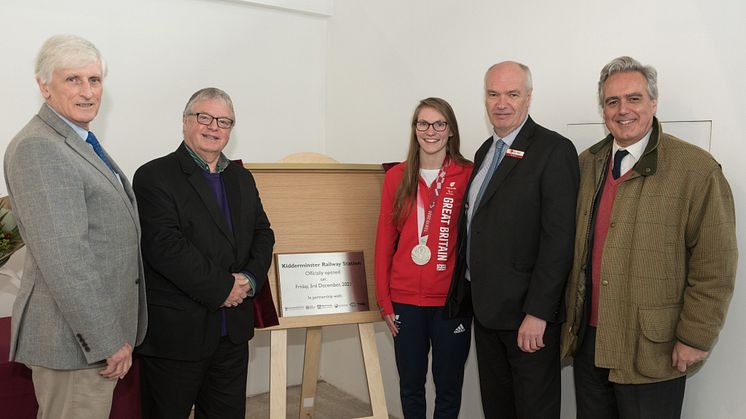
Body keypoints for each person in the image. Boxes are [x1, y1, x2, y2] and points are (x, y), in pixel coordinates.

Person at [561, 56, 738, 419]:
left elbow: (715, 264)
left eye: (634, 98)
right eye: (612, 102)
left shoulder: (696, 170)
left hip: (651, 349)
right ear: (603, 109)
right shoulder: (585, 165)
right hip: (589, 342)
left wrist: (695, 337)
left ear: (653, 103)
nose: (622, 110)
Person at [3, 34, 147, 418]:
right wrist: (105, 339)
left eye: (95, 80)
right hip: (71, 342)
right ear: (44, 86)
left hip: (84, 336)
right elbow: (66, 257)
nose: (87, 91)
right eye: (73, 80)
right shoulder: (40, 148)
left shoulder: (77, 140)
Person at [446, 61, 579, 418]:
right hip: (487, 312)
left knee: (534, 410)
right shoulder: (484, 152)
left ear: (529, 98)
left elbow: (559, 240)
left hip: (527, 318)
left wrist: (538, 312)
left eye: (512, 93)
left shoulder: (554, 150)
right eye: (493, 94)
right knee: (498, 409)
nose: (501, 102)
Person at [133, 87, 274, 419]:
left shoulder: (241, 178)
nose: (214, 127)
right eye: (205, 117)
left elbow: (262, 233)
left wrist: (250, 280)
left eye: (224, 121)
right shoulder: (154, 176)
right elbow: (165, 247)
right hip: (176, 337)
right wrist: (223, 288)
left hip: (232, 334)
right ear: (185, 122)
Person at [375, 97, 473, 418]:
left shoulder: (467, 175)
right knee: (410, 385)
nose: (430, 131)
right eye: (423, 124)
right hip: (405, 302)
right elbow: (384, 241)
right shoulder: (396, 177)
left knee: (448, 387)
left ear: (450, 131)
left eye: (439, 124)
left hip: (451, 302)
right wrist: (384, 300)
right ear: (415, 129)